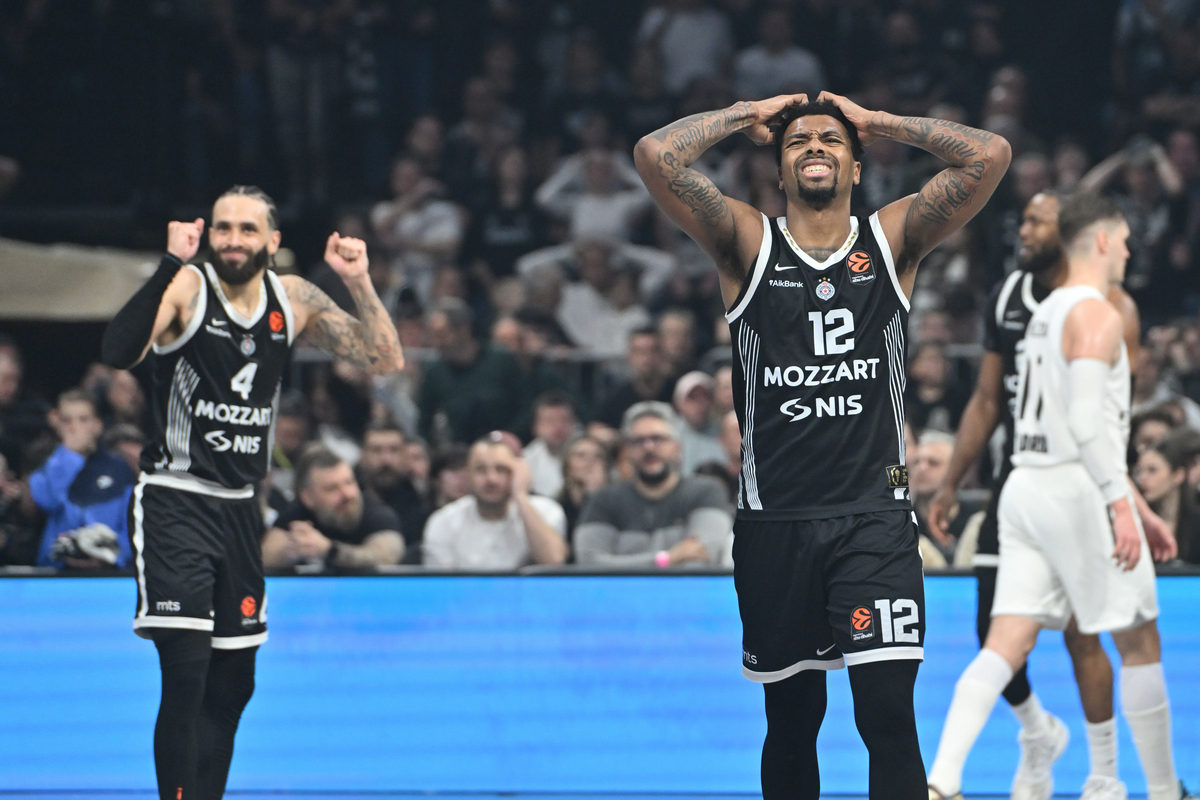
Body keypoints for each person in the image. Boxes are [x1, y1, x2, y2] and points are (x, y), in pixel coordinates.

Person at [635, 90, 1011, 799]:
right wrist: (743, 115)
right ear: (779, 170)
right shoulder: (749, 242)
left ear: (858, 166)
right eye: (799, 141)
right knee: (792, 722)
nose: (814, 147)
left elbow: (989, 156)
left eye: (832, 141)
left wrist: (879, 122)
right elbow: (656, 156)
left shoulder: (890, 240)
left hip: (874, 518)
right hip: (775, 522)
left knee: (888, 718)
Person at [99, 185, 404, 800]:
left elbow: (384, 359)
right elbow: (117, 351)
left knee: (234, 682)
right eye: (223, 228)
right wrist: (169, 264)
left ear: (272, 240)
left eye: (246, 229)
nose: (233, 240)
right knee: (186, 672)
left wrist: (359, 281)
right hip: (176, 496)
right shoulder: (189, 287)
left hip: (241, 508)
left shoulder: (293, 298)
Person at [925, 194, 1189, 800]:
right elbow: (1089, 426)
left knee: (1004, 641)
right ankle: (1161, 790)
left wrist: (1136, 504)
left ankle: (942, 779)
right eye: (1124, 241)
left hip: (1024, 483)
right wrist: (1120, 504)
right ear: (1102, 241)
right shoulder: (1099, 313)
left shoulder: (1044, 313)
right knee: (1139, 639)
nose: (1128, 252)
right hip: (1077, 487)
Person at [574, 401, 731, 569]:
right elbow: (590, 564)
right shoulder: (604, 499)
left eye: (658, 439)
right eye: (639, 441)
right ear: (627, 450)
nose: (648, 447)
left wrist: (623, 563)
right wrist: (665, 559)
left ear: (677, 446)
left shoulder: (706, 492)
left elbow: (702, 558)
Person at [422, 431, 568, 570]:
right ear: (468, 475)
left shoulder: (546, 510)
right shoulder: (442, 522)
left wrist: (520, 496)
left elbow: (553, 562)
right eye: (481, 470)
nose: (491, 479)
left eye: (501, 469)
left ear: (518, 472)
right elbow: (442, 584)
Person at [31, 389, 135, 570]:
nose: (74, 427)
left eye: (83, 419)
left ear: (97, 425)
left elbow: (132, 526)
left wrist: (112, 557)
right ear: (57, 425)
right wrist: (70, 456)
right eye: (66, 421)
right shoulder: (46, 463)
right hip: (56, 571)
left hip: (108, 573)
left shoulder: (119, 468)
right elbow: (47, 501)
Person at [262, 446, 405, 571]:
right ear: (308, 498)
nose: (347, 494)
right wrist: (290, 549)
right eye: (332, 488)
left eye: (349, 482)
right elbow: (265, 556)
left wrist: (329, 551)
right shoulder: (297, 514)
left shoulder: (378, 515)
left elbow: (385, 559)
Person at [357, 420, 428, 564]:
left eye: (394, 450)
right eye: (376, 450)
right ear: (363, 456)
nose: (386, 460)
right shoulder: (349, 501)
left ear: (405, 456)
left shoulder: (423, 506)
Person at [522, 392, 578, 498]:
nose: (558, 426)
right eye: (550, 421)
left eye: (564, 420)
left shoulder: (589, 454)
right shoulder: (526, 460)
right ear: (536, 427)